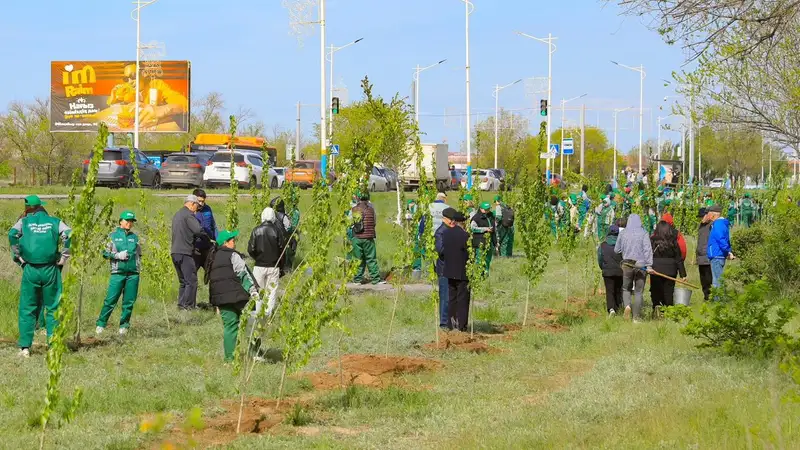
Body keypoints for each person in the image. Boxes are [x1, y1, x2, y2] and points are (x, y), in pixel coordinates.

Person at [8, 196, 71, 357]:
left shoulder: (24, 222)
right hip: (50, 269)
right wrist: (63, 258)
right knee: (53, 307)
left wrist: (19, 258)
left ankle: (25, 348)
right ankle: (53, 346)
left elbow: (12, 234)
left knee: (27, 307)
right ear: (41, 207)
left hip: (30, 269)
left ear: (28, 209)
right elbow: (69, 235)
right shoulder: (55, 221)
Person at [205, 230, 259, 362]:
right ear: (225, 243)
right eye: (232, 240)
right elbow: (243, 274)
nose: (234, 242)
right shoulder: (233, 255)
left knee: (230, 327)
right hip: (238, 296)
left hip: (221, 299)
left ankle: (229, 359)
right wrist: (253, 291)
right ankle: (254, 354)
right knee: (251, 322)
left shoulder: (212, 257)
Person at [96, 211, 141, 336]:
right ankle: (100, 324)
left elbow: (139, 254)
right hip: (118, 273)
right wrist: (117, 255)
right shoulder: (112, 236)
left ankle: (124, 326)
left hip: (133, 274)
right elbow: (104, 253)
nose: (130, 223)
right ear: (120, 221)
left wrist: (137, 267)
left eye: (132, 221)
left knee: (129, 301)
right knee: (110, 300)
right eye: (127, 220)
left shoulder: (134, 237)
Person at [248, 207, 286, 319]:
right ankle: (268, 315)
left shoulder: (256, 230)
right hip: (274, 266)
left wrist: (257, 258)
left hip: (259, 265)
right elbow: (282, 250)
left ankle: (258, 314)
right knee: (271, 292)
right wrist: (281, 266)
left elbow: (251, 249)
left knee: (258, 290)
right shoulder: (277, 231)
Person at [171, 194, 208, 310]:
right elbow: (198, 230)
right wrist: (207, 238)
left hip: (175, 252)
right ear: (192, 204)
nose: (197, 209)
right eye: (196, 206)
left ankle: (181, 306)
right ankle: (189, 307)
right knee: (191, 281)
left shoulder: (177, 214)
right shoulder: (189, 215)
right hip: (185, 252)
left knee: (183, 281)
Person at [614, 214, 653, 322]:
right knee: (638, 292)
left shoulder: (623, 233)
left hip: (627, 264)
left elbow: (616, 250)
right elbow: (647, 250)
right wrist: (649, 265)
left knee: (626, 288)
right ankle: (636, 317)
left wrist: (625, 251)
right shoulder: (644, 233)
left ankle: (627, 306)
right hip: (641, 266)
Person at [439, 207, 470, 331]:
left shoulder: (445, 233)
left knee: (452, 299)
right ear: (463, 222)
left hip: (449, 271)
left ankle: (451, 324)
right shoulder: (465, 235)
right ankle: (461, 326)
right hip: (462, 272)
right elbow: (467, 253)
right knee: (462, 300)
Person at [650, 221, 687, 315]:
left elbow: (648, 255)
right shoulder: (673, 241)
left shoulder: (653, 240)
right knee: (669, 291)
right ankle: (669, 311)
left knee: (656, 290)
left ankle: (656, 309)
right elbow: (679, 258)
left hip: (656, 269)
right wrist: (683, 274)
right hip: (671, 270)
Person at [351, 191, 385, 285]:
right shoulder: (371, 209)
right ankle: (375, 279)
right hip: (368, 237)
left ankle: (357, 279)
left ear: (358, 198)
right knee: (371, 259)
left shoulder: (354, 209)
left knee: (358, 259)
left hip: (356, 238)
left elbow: (350, 223)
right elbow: (374, 222)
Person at [434, 208, 456, 329]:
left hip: (455, 268)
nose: (453, 222)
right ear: (444, 219)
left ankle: (452, 322)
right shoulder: (440, 232)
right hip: (444, 270)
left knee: (454, 297)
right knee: (445, 297)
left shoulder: (454, 230)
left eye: (454, 220)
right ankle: (443, 324)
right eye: (451, 220)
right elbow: (441, 250)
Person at [707, 204, 735, 291]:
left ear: (713, 215)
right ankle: (719, 301)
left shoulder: (718, 224)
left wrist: (728, 251)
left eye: (708, 213)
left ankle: (719, 302)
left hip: (717, 256)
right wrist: (728, 251)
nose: (707, 215)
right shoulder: (720, 224)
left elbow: (721, 239)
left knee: (717, 282)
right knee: (717, 280)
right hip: (718, 255)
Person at [598, 224, 623, 317]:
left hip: (607, 271)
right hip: (620, 271)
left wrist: (603, 267)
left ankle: (611, 309)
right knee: (618, 289)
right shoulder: (621, 245)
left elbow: (600, 258)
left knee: (609, 290)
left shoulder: (603, 245)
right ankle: (618, 307)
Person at [193, 189, 217, 274]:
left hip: (208, 247)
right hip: (196, 249)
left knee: (213, 272)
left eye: (203, 201)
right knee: (192, 275)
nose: (201, 204)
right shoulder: (191, 211)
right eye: (199, 201)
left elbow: (213, 226)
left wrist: (217, 240)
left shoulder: (207, 209)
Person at [470, 202, 495, 274]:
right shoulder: (476, 217)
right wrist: (485, 229)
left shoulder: (491, 216)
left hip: (489, 241)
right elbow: (473, 228)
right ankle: (479, 274)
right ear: (481, 209)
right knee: (480, 259)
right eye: (485, 209)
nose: (487, 211)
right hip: (479, 241)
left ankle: (486, 273)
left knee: (488, 259)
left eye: (488, 209)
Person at [696, 207, 713, 301]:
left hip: (707, 257)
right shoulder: (701, 226)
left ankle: (710, 297)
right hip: (700, 257)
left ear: (707, 215)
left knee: (709, 278)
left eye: (702, 216)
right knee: (703, 279)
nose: (700, 218)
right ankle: (706, 297)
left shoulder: (711, 225)